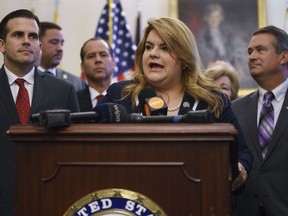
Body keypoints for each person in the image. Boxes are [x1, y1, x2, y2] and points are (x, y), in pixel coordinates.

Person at [100, 17, 252, 190]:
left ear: (184, 57)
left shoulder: (212, 101)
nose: (153, 53)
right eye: (148, 47)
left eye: (164, 48)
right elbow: (90, 141)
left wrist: (241, 167)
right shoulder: (120, 94)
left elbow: (242, 151)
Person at [0, 9, 79, 214]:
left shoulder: (63, 90)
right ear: (1, 44)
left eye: (32, 36)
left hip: (51, 201)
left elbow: (76, 151)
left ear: (39, 46)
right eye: (18, 35)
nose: (26, 41)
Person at [232, 25, 288, 216]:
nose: (252, 57)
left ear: (284, 57)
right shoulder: (235, 109)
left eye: (260, 50)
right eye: (250, 51)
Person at [38, 21, 86, 91]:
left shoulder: (76, 83)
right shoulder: (24, 78)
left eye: (62, 43)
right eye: (54, 42)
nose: (60, 48)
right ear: (38, 44)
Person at [77, 37, 115, 111]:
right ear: (82, 66)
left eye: (103, 55)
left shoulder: (126, 98)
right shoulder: (73, 100)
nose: (98, 60)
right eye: (91, 56)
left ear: (113, 63)